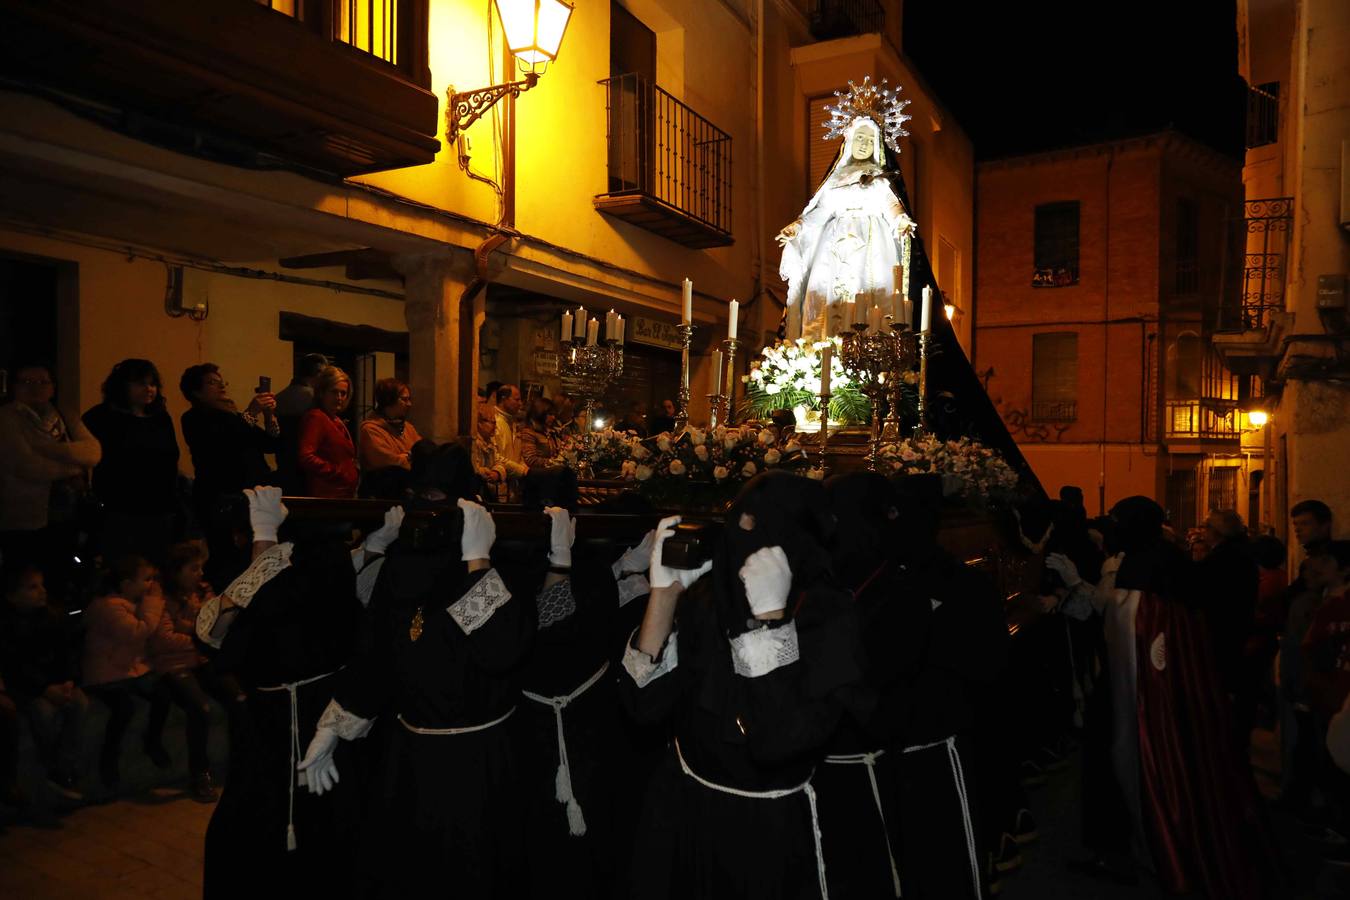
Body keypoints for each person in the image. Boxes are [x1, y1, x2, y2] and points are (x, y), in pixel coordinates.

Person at [296, 444, 537, 897]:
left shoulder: (504, 565)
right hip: (410, 754)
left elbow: (499, 650)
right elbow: (379, 653)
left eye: (439, 499)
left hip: (480, 759)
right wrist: (335, 724)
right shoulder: (403, 565)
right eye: (420, 498)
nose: (428, 512)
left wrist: (478, 563)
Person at [620, 470, 865, 900]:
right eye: (738, 524)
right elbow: (642, 706)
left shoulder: (829, 616)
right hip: (685, 809)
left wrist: (769, 620)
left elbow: (778, 740)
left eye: (757, 529)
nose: (740, 541)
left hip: (768, 829)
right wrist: (665, 596)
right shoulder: (712, 598)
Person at [1049, 497, 1277, 897]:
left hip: (1143, 699)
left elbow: (1134, 629)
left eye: (1119, 522)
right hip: (1135, 692)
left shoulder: (1150, 566)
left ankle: (1144, 852)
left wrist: (1077, 588)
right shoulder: (1153, 559)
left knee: (1147, 772)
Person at [196, 486, 366, 900]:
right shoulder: (251, 566)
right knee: (250, 821)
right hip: (264, 721)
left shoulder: (322, 563)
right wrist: (263, 544)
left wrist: (266, 541)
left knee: (321, 819)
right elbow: (213, 631)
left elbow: (272, 604)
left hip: (314, 712)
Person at [0, 362, 101, 604]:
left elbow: (93, 452)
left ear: (53, 387)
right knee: (25, 579)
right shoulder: (7, 418)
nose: (36, 388)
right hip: (24, 517)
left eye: (43, 382)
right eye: (27, 382)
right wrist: (72, 463)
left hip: (67, 513)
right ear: (13, 387)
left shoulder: (64, 415)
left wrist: (46, 449)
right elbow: (27, 466)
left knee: (61, 574)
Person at [180, 363, 280, 590]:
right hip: (221, 497)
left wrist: (268, 414)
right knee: (226, 559)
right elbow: (224, 444)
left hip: (249, 497)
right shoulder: (194, 418)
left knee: (250, 557)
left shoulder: (232, 415)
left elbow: (269, 443)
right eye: (212, 382)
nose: (221, 386)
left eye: (221, 381)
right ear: (195, 391)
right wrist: (251, 413)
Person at [0, 564, 88, 802]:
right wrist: (45, 690)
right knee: (44, 713)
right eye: (32, 587)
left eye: (41, 585)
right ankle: (53, 766)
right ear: (12, 596)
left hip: (56, 683)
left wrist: (69, 680)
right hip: (30, 688)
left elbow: (66, 652)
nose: (42, 591)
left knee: (80, 704)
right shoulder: (8, 626)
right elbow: (16, 667)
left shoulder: (51, 617)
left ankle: (64, 766)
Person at [144, 541, 222, 802]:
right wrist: (198, 633)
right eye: (194, 568)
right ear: (177, 571)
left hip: (201, 659)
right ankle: (200, 774)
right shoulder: (159, 596)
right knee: (200, 708)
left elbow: (214, 625)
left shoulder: (203, 590)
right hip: (173, 664)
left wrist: (188, 628)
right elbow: (163, 638)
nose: (200, 574)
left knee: (238, 696)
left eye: (201, 568)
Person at [82, 359, 182, 562]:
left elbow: (171, 457)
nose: (148, 389)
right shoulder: (101, 417)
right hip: (119, 507)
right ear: (122, 386)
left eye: (152, 384)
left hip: (159, 506)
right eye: (140, 383)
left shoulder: (160, 417)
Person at [82, 555, 166, 789]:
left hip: (127, 670)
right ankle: (109, 759)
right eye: (146, 579)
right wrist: (154, 601)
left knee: (162, 694)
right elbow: (139, 631)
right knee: (123, 708)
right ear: (126, 584)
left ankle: (153, 741)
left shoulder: (129, 604)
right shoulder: (108, 608)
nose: (151, 584)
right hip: (105, 675)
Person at [1197, 508, 1260, 750]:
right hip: (1233, 632)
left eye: (1207, 526)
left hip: (1223, 636)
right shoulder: (1239, 555)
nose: (1204, 531)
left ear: (1219, 532)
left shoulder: (1224, 559)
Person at [296, 365, 358, 499]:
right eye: (334, 392)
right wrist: (338, 472)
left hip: (342, 494)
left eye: (343, 393)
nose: (339, 397)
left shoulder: (335, 419)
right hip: (326, 496)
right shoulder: (316, 417)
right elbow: (306, 456)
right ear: (322, 392)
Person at [274, 353, 329, 494]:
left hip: (284, 463)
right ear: (318, 373)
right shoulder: (314, 399)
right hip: (310, 466)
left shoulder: (279, 397)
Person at [358, 378, 422, 498]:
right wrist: (409, 457)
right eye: (404, 399)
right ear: (389, 401)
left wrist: (405, 456)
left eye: (409, 399)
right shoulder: (371, 429)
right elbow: (389, 463)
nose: (409, 404)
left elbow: (423, 454)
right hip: (383, 494)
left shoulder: (408, 428)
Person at [472, 402, 526, 501]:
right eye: (492, 422)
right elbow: (474, 468)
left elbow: (498, 460)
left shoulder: (489, 441)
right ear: (479, 423)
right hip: (479, 493)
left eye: (495, 423)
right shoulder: (474, 443)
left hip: (491, 493)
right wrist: (486, 472)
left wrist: (497, 472)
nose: (495, 426)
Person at [519, 396, 563, 470]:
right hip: (536, 477)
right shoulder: (528, 432)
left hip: (547, 474)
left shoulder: (548, 432)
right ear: (540, 412)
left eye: (554, 414)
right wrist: (553, 462)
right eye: (550, 414)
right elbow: (530, 459)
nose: (553, 417)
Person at [492, 383, 525, 469]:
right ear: (504, 399)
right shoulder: (493, 421)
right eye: (517, 400)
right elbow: (495, 456)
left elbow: (518, 455)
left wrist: (525, 469)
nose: (520, 404)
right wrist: (521, 470)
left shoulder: (513, 422)